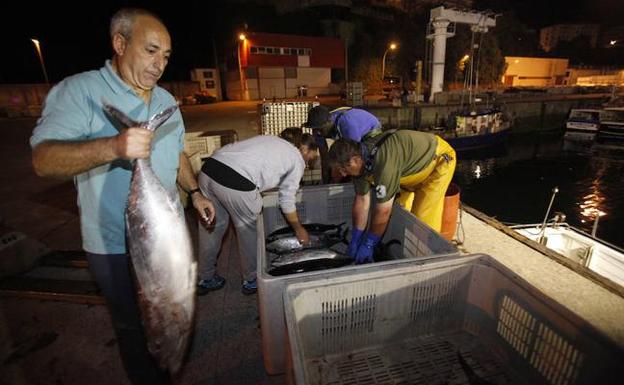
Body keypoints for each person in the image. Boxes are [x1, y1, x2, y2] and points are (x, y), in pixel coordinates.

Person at [30, 8, 213, 384]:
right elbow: (43, 160)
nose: (159, 64)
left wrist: (194, 192)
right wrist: (115, 146)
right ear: (119, 43)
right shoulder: (79, 90)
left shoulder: (164, 98)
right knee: (136, 329)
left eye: (165, 56)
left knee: (176, 311)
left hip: (168, 232)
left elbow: (176, 151)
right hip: (115, 245)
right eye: (150, 51)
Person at [196, 128, 318, 295]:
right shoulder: (297, 159)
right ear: (304, 149)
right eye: (312, 156)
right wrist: (298, 228)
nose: (311, 162)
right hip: (235, 180)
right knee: (249, 231)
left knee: (212, 227)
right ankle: (252, 279)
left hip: (209, 169)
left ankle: (206, 277)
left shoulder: (273, 141)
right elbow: (287, 201)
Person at [327, 130, 456, 264]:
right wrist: (356, 237)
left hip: (437, 161)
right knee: (399, 217)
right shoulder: (361, 161)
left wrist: (369, 244)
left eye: (343, 168)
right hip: (407, 174)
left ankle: (430, 263)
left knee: (421, 225)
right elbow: (362, 200)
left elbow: (383, 211)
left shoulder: (384, 163)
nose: (342, 174)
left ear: (355, 160)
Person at [303, 105, 382, 182]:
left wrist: (342, 177)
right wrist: (326, 182)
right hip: (353, 140)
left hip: (370, 135)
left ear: (329, 122)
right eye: (315, 129)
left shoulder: (347, 123)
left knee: (359, 161)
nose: (318, 132)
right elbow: (324, 156)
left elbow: (353, 154)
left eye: (320, 129)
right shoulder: (318, 131)